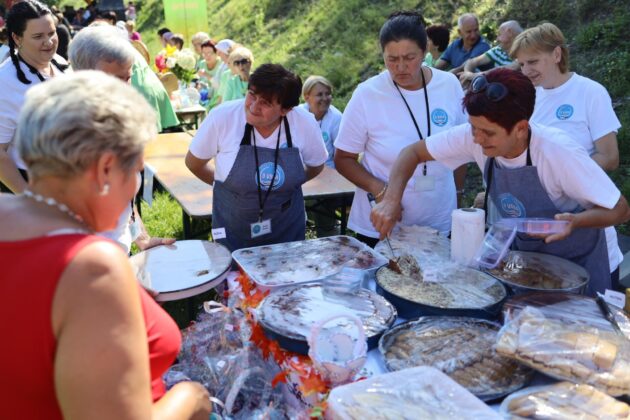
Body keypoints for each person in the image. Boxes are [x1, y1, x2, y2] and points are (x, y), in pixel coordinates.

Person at [0, 71, 212, 419]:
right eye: (137, 171)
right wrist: (192, 397)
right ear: (105, 169)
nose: (134, 189)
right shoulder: (90, 267)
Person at [370, 68, 630, 296]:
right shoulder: (474, 135)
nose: (477, 139)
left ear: (520, 128)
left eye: (488, 133)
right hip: (528, 261)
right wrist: (391, 200)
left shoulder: (558, 152)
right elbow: (412, 153)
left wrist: (575, 222)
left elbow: (620, 209)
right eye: (473, 127)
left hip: (582, 263)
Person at [334, 11, 467, 247]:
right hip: (382, 225)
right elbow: (343, 158)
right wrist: (381, 191)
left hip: (438, 218)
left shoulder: (448, 85)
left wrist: (458, 194)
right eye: (392, 59)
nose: (401, 67)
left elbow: (460, 147)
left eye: (409, 57)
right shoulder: (368, 94)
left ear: (425, 50)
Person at [511, 22, 624, 290]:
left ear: (557, 55)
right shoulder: (530, 98)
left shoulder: (590, 92)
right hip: (543, 232)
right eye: (522, 64)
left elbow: (609, 156)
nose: (526, 71)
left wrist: (561, 180)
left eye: (533, 62)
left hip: (588, 223)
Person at [185, 64, 328, 251]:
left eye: (266, 103)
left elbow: (316, 165)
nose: (253, 106)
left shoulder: (303, 122)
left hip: (286, 227)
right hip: (234, 225)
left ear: (285, 110)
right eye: (252, 94)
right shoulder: (222, 117)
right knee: (236, 278)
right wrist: (228, 185)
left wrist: (286, 184)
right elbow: (194, 163)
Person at [69, 24, 176, 253]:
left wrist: (141, 237)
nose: (125, 88)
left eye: (127, 78)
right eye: (116, 79)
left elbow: (123, 200)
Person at [0, 0, 68, 194]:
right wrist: (28, 196)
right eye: (38, 36)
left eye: (51, 33)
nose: (48, 42)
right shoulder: (4, 81)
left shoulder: (59, 63)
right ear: (17, 38)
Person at [300, 75, 343, 237]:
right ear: (307, 97)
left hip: (328, 173)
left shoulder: (336, 118)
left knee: (321, 203)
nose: (325, 98)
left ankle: (329, 236)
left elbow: (340, 153)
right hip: (301, 171)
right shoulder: (297, 115)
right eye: (320, 94)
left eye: (328, 93)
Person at [459, 20, 522, 85]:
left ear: (510, 32)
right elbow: (472, 61)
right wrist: (467, 74)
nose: (497, 39)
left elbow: (501, 70)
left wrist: (472, 76)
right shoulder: (499, 49)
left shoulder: (523, 51)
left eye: (499, 34)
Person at [197, 39, 222, 110]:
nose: (207, 56)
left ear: (216, 52)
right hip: (203, 97)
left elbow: (220, 86)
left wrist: (207, 75)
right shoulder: (201, 64)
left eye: (209, 53)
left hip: (217, 99)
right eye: (204, 53)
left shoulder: (221, 64)